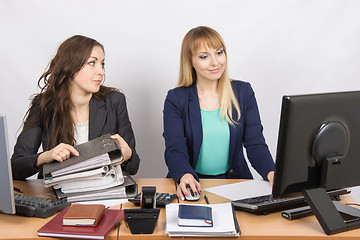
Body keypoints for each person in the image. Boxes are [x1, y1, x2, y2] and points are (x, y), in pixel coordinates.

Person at [163, 26, 275, 200]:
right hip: (192, 183)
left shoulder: (243, 92)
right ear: (190, 61)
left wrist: (272, 173)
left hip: (235, 183)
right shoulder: (176, 98)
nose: (215, 62)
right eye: (204, 56)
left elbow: (256, 145)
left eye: (219, 52)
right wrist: (185, 175)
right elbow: (175, 149)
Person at [11, 35, 140, 180]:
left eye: (102, 64)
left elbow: (134, 166)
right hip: (56, 195)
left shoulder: (115, 101)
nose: (101, 72)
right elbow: (15, 167)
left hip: (103, 195)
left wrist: (128, 155)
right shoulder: (44, 105)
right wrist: (45, 157)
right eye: (92, 63)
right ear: (70, 66)